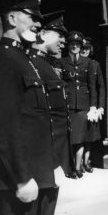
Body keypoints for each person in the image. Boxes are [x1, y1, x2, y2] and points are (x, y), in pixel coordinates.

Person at [0, 0, 59, 215]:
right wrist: (22, 178)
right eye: (32, 16)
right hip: (23, 179)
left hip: (41, 174)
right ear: (12, 18)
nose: (39, 23)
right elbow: (6, 123)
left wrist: (52, 166)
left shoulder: (24, 59)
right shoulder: (6, 60)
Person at [27, 10, 75, 181]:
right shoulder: (30, 64)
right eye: (59, 36)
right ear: (42, 34)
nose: (63, 42)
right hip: (44, 153)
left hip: (57, 153)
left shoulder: (48, 64)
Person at [58, 31, 97, 178]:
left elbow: (92, 86)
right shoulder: (61, 62)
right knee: (69, 138)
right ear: (68, 46)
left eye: (77, 44)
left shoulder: (88, 63)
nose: (74, 47)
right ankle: (70, 166)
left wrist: (93, 106)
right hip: (67, 105)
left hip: (83, 106)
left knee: (79, 138)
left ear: (81, 47)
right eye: (72, 44)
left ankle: (77, 167)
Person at [80, 36, 105, 172]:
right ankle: (76, 162)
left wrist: (100, 106)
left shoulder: (95, 64)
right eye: (82, 48)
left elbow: (100, 86)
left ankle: (87, 161)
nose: (84, 51)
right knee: (78, 136)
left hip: (92, 105)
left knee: (89, 136)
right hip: (79, 104)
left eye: (87, 48)